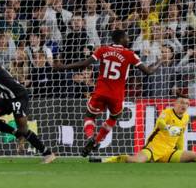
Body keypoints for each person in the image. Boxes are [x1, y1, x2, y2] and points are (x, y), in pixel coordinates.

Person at [53, 29, 162, 157]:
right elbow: (148, 71)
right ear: (121, 39)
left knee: (90, 116)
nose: (128, 39)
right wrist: (160, 61)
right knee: (114, 117)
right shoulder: (129, 54)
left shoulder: (103, 50)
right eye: (126, 37)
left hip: (100, 91)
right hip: (116, 95)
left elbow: (84, 64)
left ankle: (90, 137)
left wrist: (63, 67)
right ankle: (97, 140)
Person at [97, 92, 196, 164]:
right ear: (175, 103)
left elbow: (180, 135)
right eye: (181, 103)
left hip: (169, 152)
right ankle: (105, 160)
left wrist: (179, 150)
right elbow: (160, 123)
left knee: (193, 155)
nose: (183, 106)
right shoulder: (167, 112)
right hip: (153, 148)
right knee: (135, 161)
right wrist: (168, 128)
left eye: (186, 103)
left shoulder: (185, 117)